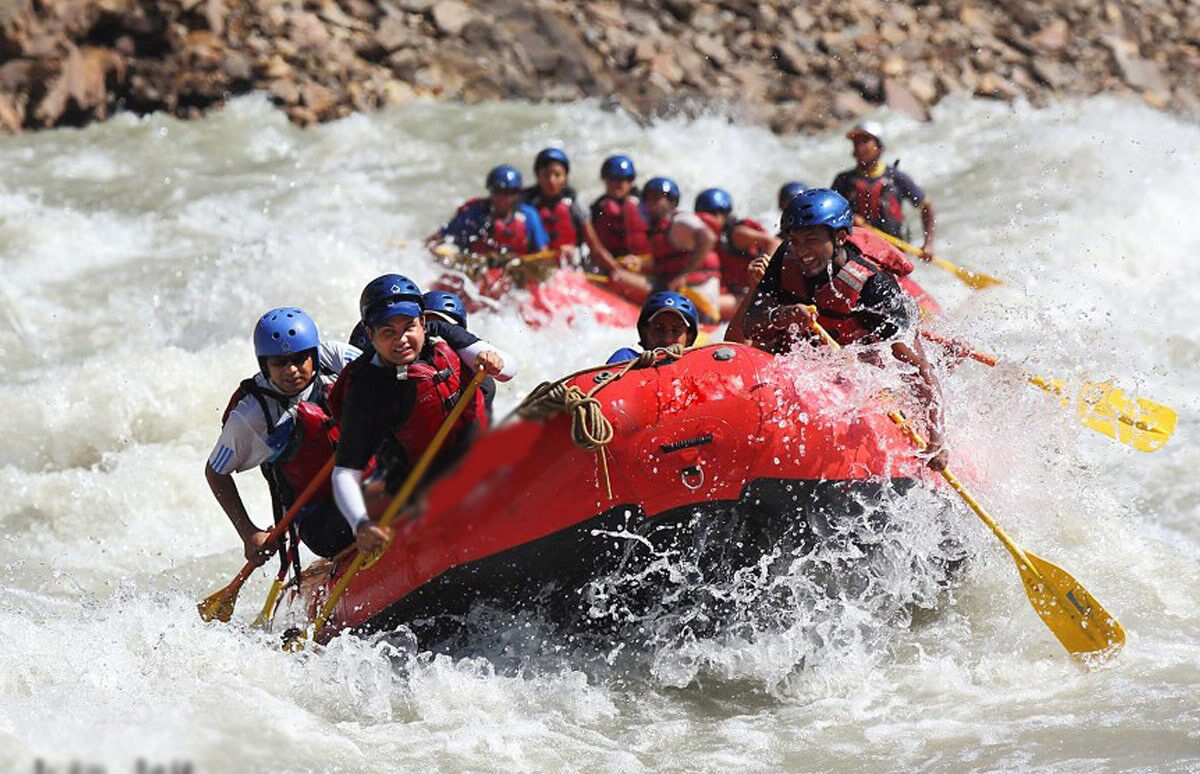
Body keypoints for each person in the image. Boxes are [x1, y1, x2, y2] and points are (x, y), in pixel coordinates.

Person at [740, 189, 948, 469]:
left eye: (811, 241)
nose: (801, 251)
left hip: (858, 364)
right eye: (795, 240)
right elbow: (750, 324)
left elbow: (916, 367)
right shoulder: (785, 257)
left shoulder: (875, 288)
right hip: (806, 360)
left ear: (839, 238)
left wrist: (936, 439)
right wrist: (782, 315)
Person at [331, 276, 517, 553]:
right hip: (418, 479)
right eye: (388, 332)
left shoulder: (440, 333)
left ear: (422, 322)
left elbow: (509, 370)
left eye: (409, 327)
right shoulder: (367, 389)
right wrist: (360, 524)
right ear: (370, 335)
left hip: (474, 451)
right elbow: (345, 470)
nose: (402, 339)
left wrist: (494, 361)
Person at [207, 307, 361, 566]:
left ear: (313, 355)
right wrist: (249, 533)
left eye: (299, 359)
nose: (291, 370)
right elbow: (215, 472)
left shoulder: (334, 357)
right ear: (264, 365)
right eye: (279, 362)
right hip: (321, 519)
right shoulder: (253, 414)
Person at [831, 121, 936, 253]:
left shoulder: (896, 177)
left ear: (879, 146)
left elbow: (926, 207)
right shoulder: (843, 180)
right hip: (857, 251)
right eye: (856, 142)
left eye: (864, 141)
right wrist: (849, 220)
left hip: (893, 251)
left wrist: (928, 244)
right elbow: (830, 216)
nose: (859, 146)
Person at [428, 164, 551, 257]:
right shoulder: (474, 212)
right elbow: (441, 237)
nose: (504, 198)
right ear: (490, 191)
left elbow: (543, 253)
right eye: (499, 192)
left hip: (516, 273)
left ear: (518, 194)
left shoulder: (529, 215)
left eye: (510, 193)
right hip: (478, 268)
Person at [694, 187, 780, 318]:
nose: (705, 222)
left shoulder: (735, 234)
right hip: (742, 292)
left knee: (704, 304)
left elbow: (773, 242)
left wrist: (767, 275)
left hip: (759, 293)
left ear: (722, 215)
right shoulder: (710, 239)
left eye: (710, 216)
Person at [521, 147, 605, 265]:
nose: (551, 180)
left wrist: (615, 269)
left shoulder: (575, 203)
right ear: (538, 176)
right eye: (546, 175)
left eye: (557, 175)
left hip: (571, 263)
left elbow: (594, 246)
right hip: (537, 265)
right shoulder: (525, 204)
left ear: (565, 177)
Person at [588, 154, 650, 286]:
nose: (617, 184)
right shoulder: (596, 208)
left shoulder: (646, 206)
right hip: (609, 264)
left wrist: (642, 262)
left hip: (640, 263)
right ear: (605, 180)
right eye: (612, 180)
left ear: (630, 182)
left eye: (622, 180)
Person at [606, 291, 699, 364]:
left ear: (689, 337)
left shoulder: (697, 365)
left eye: (675, 330)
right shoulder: (626, 358)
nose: (667, 339)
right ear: (645, 332)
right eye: (659, 328)